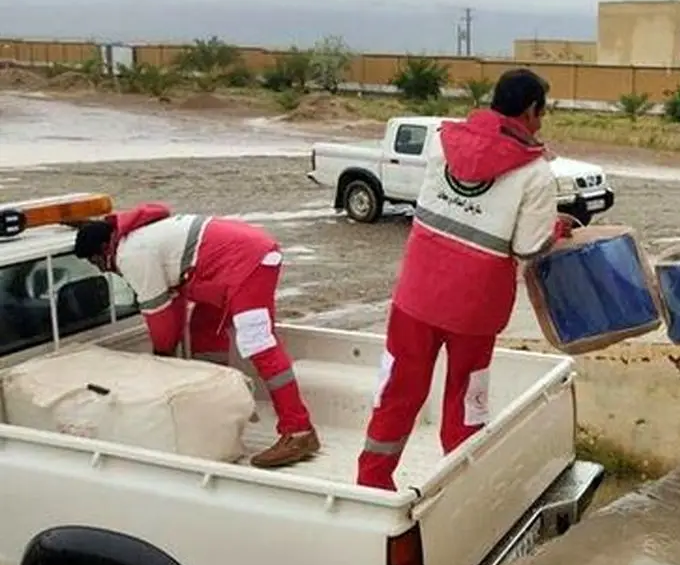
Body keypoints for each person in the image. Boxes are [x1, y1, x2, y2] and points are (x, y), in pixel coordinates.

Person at [357, 68, 572, 490]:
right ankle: (459, 490)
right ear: (531, 110)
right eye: (542, 112)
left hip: (415, 295)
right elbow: (529, 248)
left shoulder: (443, 141)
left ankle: (372, 483)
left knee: (399, 388)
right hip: (474, 308)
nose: (542, 121)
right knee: (465, 398)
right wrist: (555, 230)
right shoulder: (535, 175)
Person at [72, 203, 319, 468]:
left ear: (102, 250)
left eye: (94, 262)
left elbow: (159, 313)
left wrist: (162, 357)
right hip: (231, 262)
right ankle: (214, 409)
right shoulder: (141, 235)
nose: (100, 270)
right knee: (204, 330)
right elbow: (173, 303)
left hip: (245, 262)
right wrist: (167, 348)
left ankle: (299, 431)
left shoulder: (131, 254)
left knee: (259, 342)